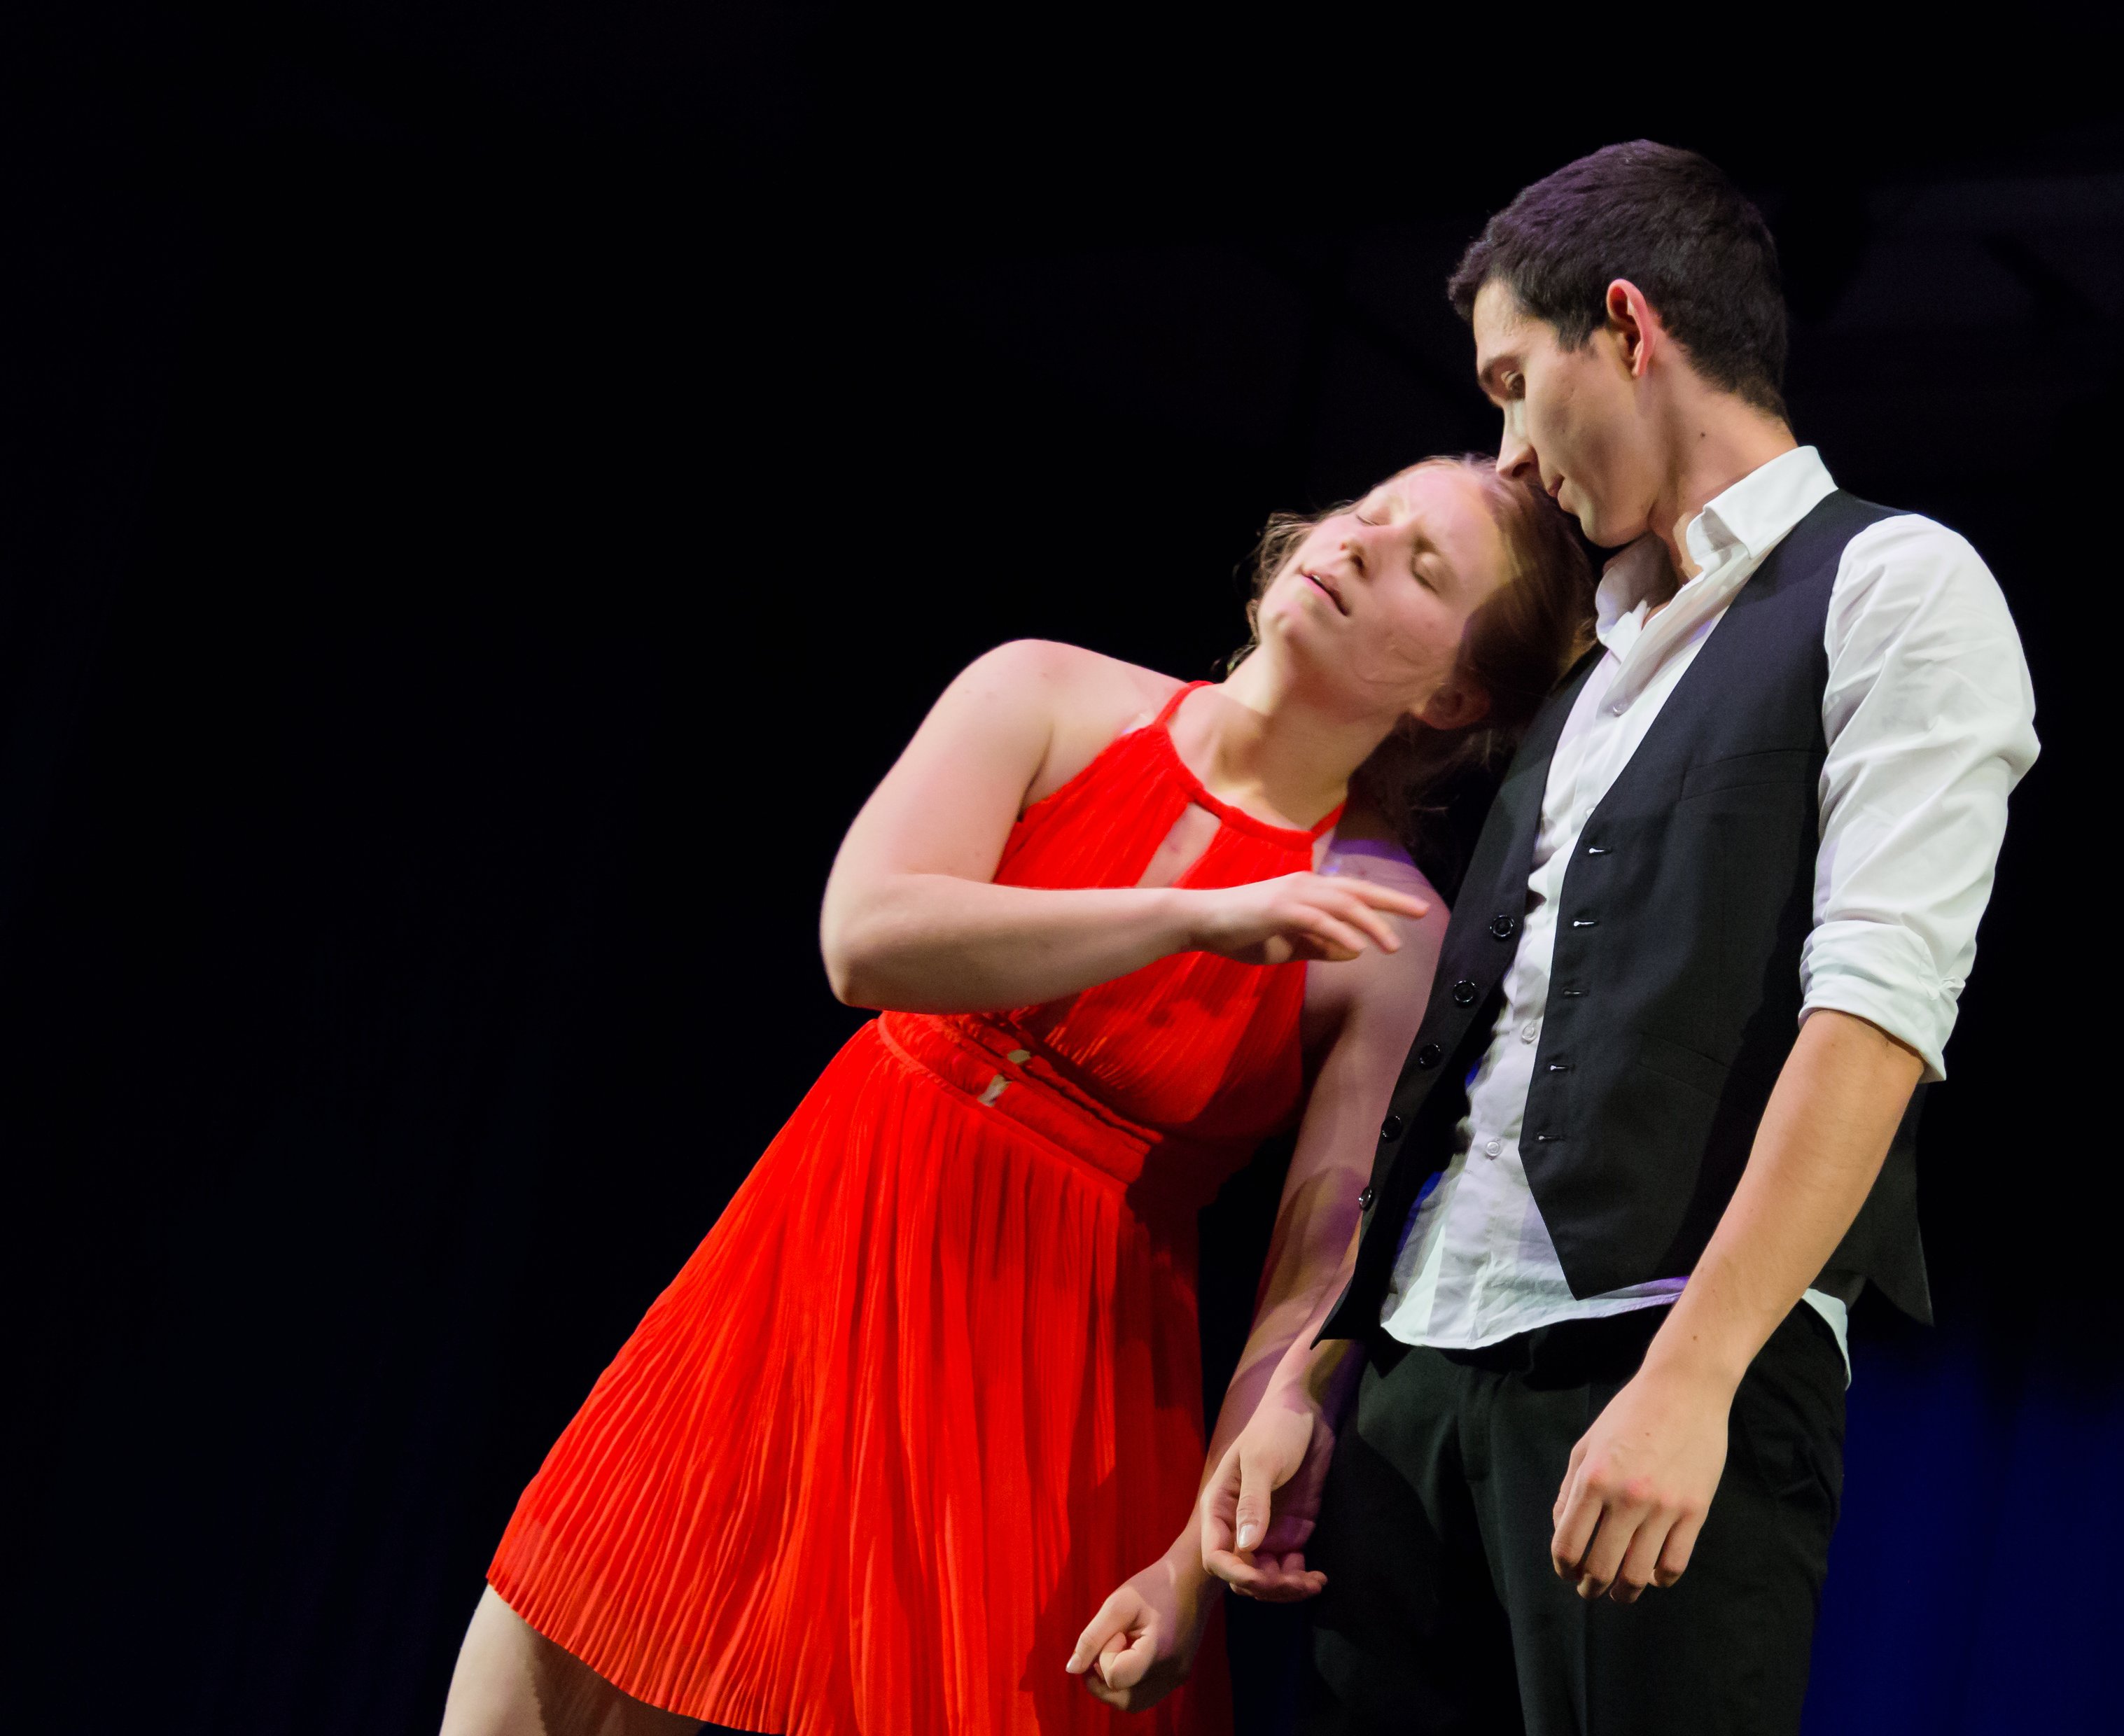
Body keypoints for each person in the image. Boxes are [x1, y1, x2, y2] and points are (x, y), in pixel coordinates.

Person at [438, 455, 1593, 1736]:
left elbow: (1315, 1264)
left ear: (1451, 694)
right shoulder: (1044, 691)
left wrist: (1191, 1561)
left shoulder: (1385, 931)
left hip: (1045, 1388)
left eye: (1424, 565)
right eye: (1369, 513)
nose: (1362, 544)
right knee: (545, 1676)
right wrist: (1193, 918)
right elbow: (866, 940)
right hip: (808, 1275)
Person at [1200, 141, 2042, 1733]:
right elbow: (1478, 1052)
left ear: (1630, 327)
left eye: (1516, 385)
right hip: (1421, 1374)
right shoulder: (1595, 658)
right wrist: (1320, 1369)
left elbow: (1874, 1020)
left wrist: (1695, 1374)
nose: (1513, 456)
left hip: (1651, 1358)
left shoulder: (1892, 583)